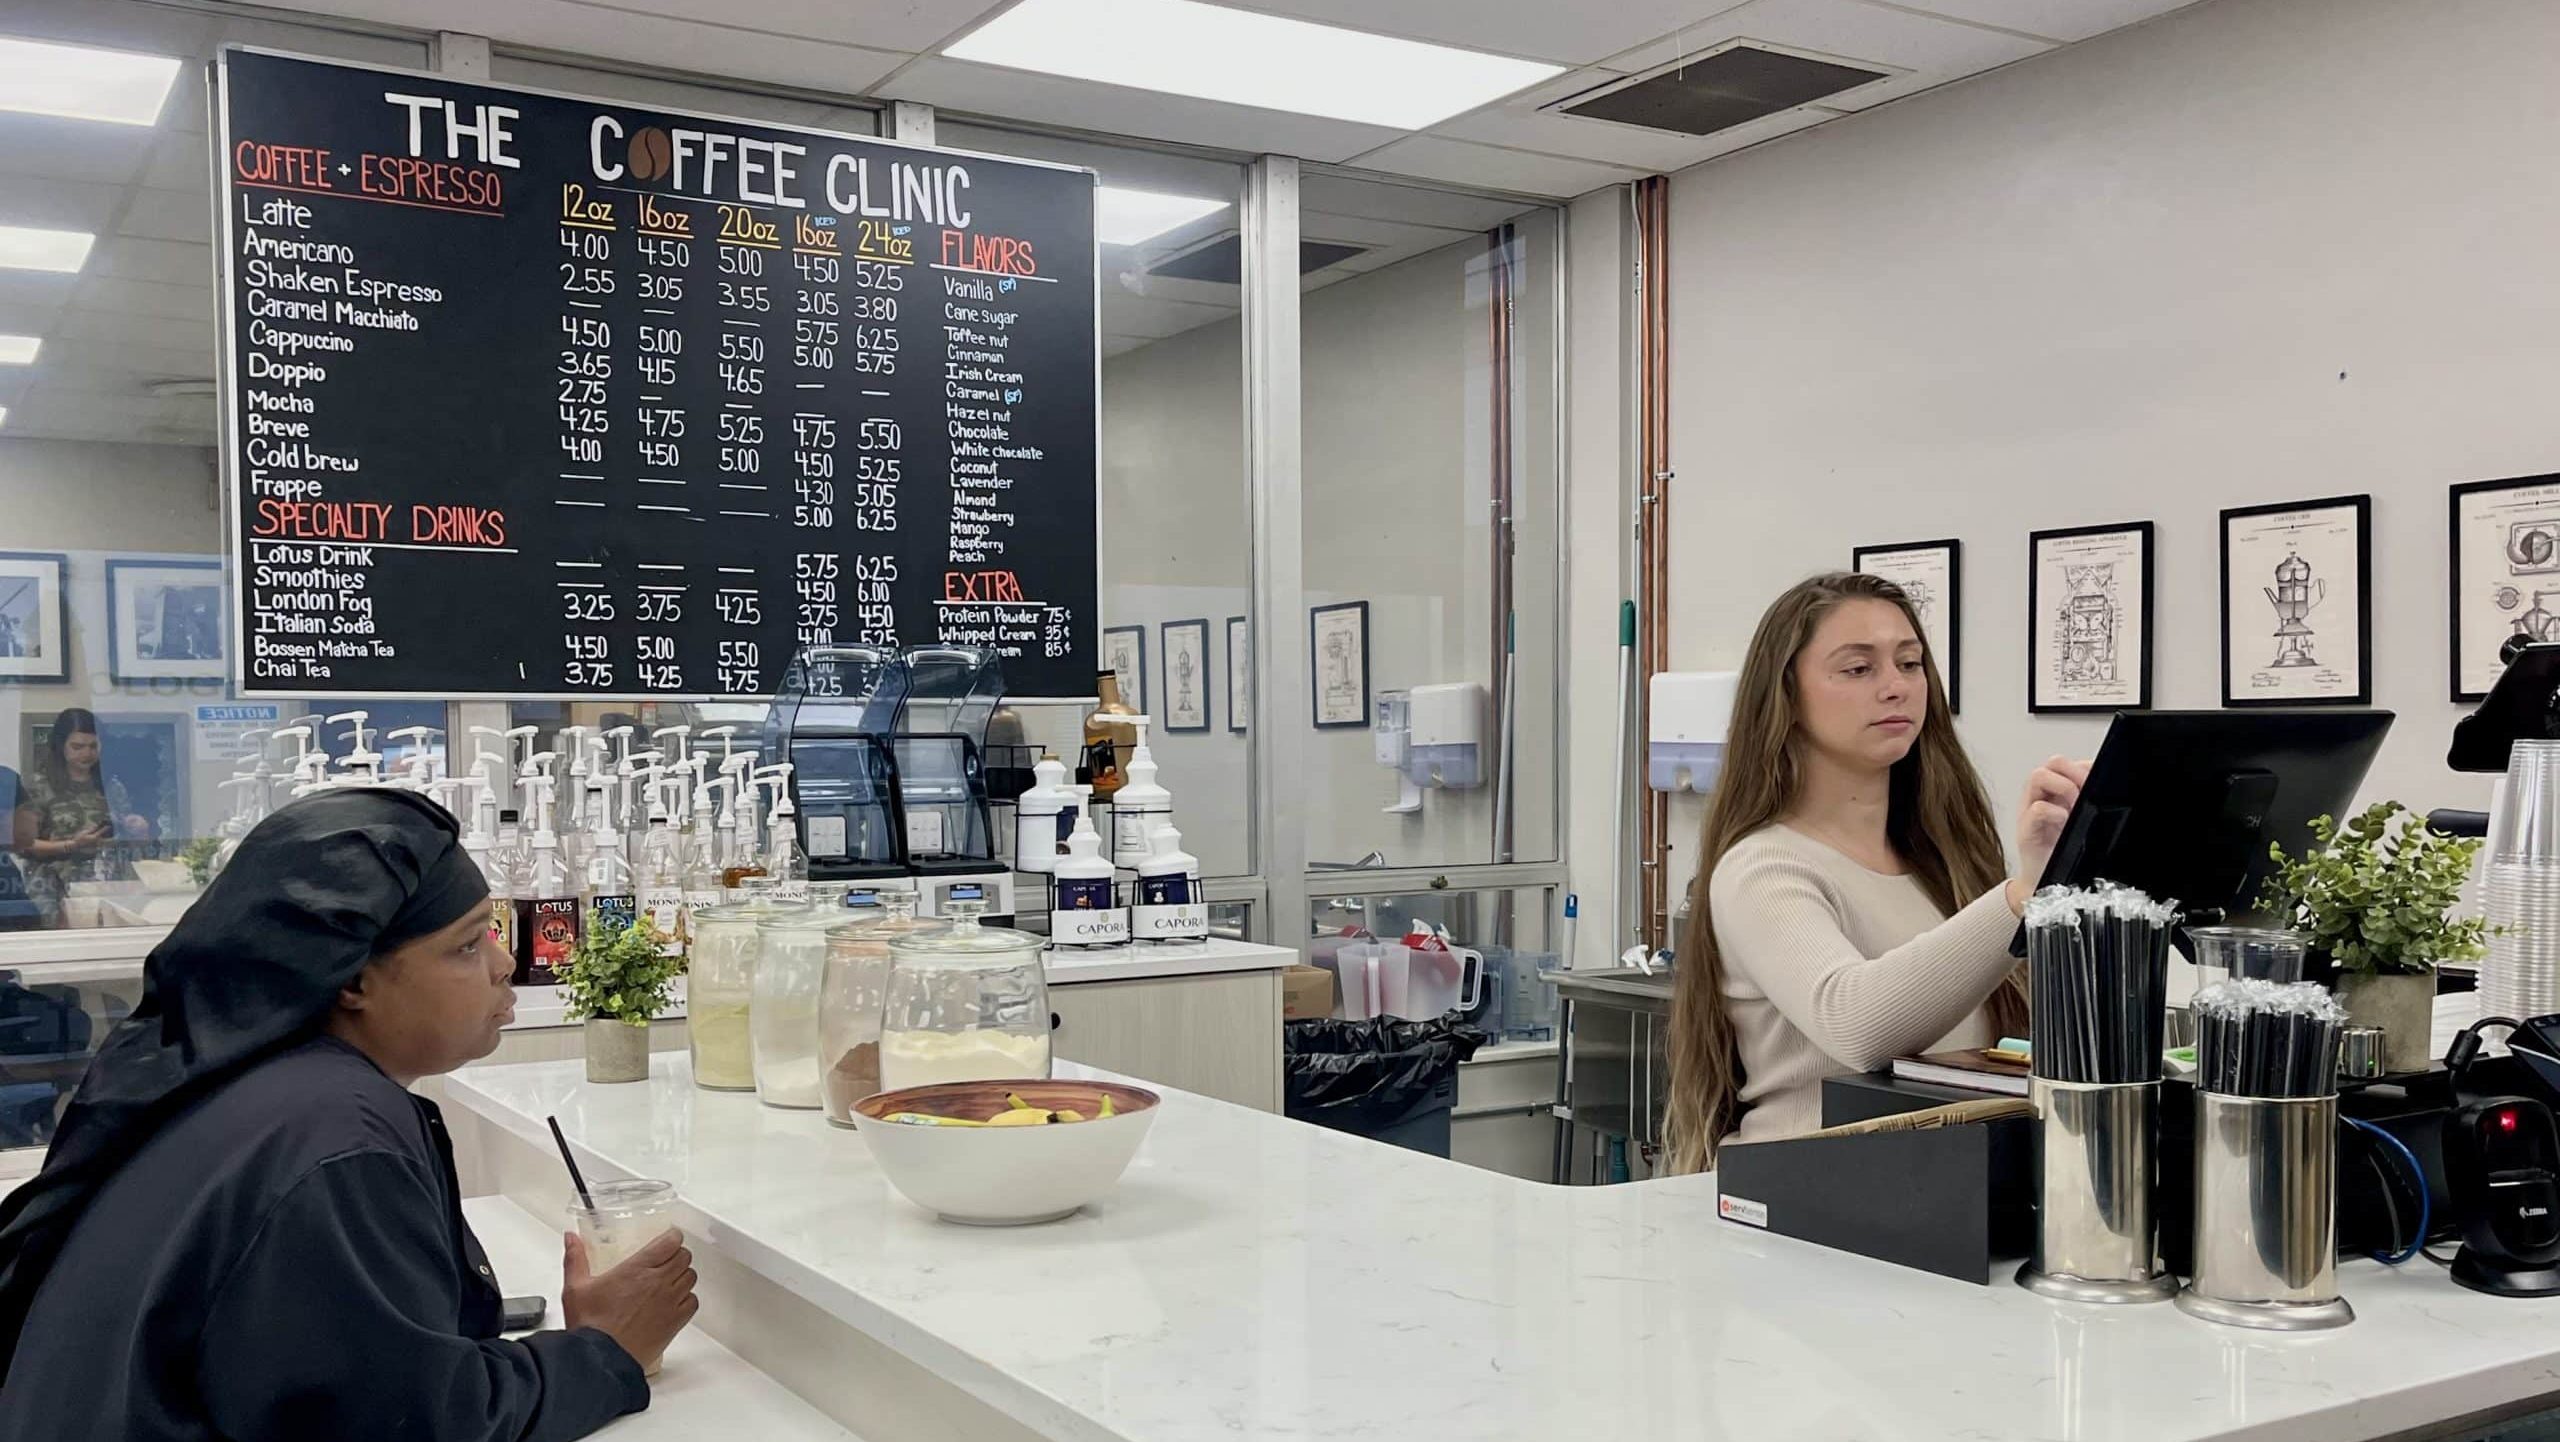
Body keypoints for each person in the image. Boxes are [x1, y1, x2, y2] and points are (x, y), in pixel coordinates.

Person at [0, 788, 698, 1440]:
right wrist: (602, 1353)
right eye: (466, 945)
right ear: (352, 978)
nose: (502, 962)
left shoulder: (258, 1082)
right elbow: (410, 1421)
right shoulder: (339, 1132)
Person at [1663, 573, 2086, 1171]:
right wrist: (2021, 895)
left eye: (1909, 664)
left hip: (1935, 1196)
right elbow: (1858, 1026)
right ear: (1785, 695)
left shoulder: (1943, 860)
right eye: (1858, 669)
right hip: (1804, 1207)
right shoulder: (1763, 867)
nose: (1896, 688)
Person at [22, 709, 149, 927]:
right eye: (77, 747)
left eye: (93, 746)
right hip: (57, 887)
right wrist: (70, 845)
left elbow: (126, 841)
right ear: (61, 746)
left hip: (110, 883)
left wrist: (139, 830)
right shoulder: (39, 785)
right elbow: (25, 844)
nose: (86, 754)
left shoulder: (111, 786)